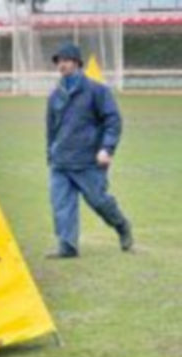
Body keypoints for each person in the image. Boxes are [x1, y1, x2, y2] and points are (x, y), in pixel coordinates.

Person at [45, 43, 133, 259]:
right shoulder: (55, 96)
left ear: (76, 62)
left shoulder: (97, 91)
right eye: (58, 61)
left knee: (99, 201)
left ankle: (121, 225)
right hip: (61, 162)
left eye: (65, 60)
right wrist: (50, 153)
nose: (61, 65)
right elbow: (51, 128)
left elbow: (113, 121)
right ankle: (67, 246)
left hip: (88, 161)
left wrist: (107, 148)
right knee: (61, 205)